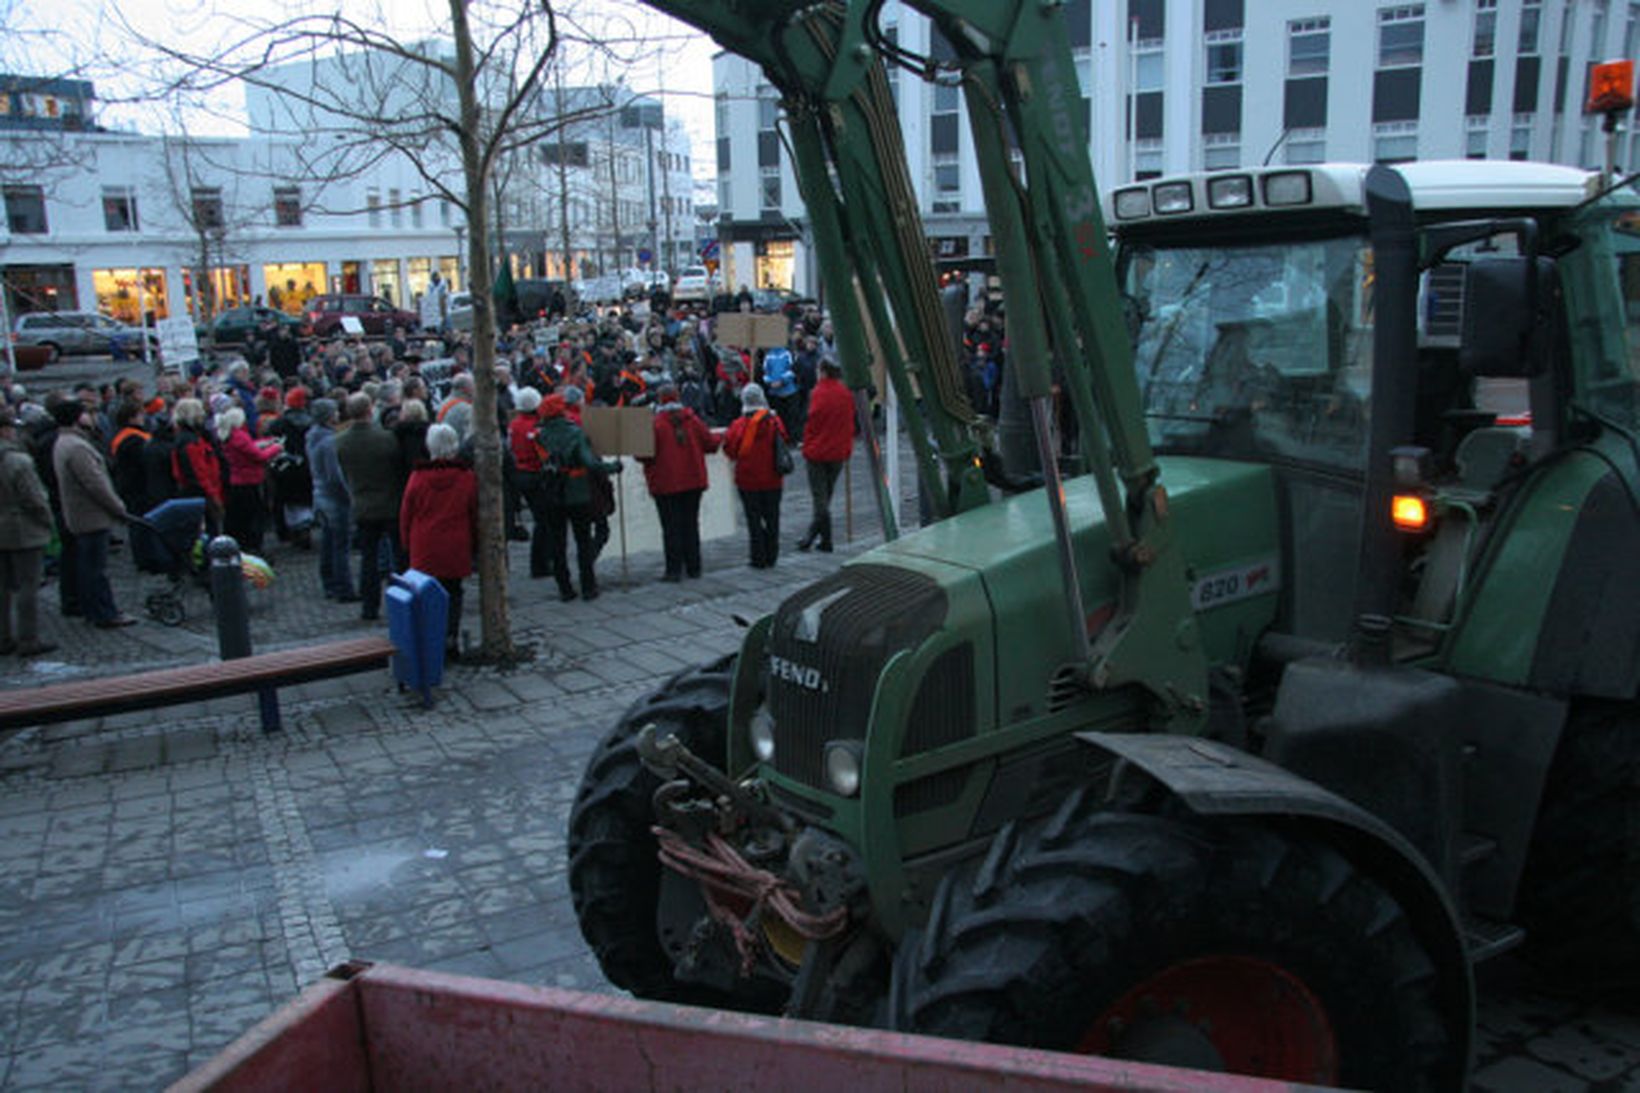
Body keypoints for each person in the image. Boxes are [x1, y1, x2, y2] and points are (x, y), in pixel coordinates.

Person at [51, 398, 134, 628]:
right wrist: (117, 508)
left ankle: (93, 609)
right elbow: (95, 484)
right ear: (77, 418)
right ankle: (104, 612)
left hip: (81, 515)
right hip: (90, 516)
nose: (91, 417)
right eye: (86, 413)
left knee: (88, 566)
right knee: (95, 569)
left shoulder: (65, 442)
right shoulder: (76, 447)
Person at [536, 391, 622, 602]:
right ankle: (588, 587)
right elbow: (590, 462)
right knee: (583, 541)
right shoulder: (575, 433)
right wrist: (612, 467)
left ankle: (565, 588)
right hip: (577, 491)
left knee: (558, 544)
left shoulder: (540, 435)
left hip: (551, 492)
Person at [399, 422, 476, 659]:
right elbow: (473, 513)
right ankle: (450, 638)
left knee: (426, 595)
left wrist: (406, 544)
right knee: (454, 592)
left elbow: (406, 514)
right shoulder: (466, 478)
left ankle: (430, 641)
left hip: (425, 544)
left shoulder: (418, 478)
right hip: (455, 542)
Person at [334, 391, 407, 621]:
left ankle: (369, 606)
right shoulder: (387, 438)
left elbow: (344, 474)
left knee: (369, 559)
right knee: (398, 556)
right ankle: (403, 601)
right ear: (369, 410)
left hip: (363, 504)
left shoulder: (340, 442)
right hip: (390, 503)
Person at [639, 383, 719, 581]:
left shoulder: (656, 424)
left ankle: (674, 570)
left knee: (670, 527)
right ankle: (694, 567)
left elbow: (643, 454)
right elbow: (710, 444)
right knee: (691, 525)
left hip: (666, 484)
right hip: (693, 480)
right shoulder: (692, 420)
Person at [0, 413, 57, 656]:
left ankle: (3, 637)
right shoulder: (17, 461)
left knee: (2, 586)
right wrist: (48, 521)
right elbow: (34, 498)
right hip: (21, 527)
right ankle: (28, 638)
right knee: (28, 584)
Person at [723, 382, 789, 569]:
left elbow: (730, 450)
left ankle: (758, 557)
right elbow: (784, 440)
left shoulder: (738, 425)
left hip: (748, 479)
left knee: (753, 520)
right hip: (773, 478)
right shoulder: (775, 421)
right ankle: (772, 554)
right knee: (772, 517)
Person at [797, 358, 855, 552]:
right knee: (825, 495)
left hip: (818, 451)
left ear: (822, 371)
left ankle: (821, 539)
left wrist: (806, 443)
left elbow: (811, 422)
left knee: (820, 498)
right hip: (838, 451)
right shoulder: (845, 393)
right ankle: (816, 538)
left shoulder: (818, 393)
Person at [306, 398, 357, 602]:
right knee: (340, 546)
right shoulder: (329, 442)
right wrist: (348, 496)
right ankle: (343, 588)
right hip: (334, 499)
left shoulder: (312, 436)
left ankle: (329, 582)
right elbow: (335, 476)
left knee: (328, 542)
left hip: (320, 496)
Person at [220, 407, 281, 556]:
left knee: (241, 517)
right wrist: (276, 448)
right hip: (249, 480)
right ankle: (254, 547)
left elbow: (251, 448)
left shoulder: (229, 436)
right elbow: (258, 456)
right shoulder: (240, 436)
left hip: (238, 480)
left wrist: (265, 443)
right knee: (253, 517)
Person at [507, 387, 553, 579]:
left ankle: (540, 563)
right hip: (534, 474)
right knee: (543, 521)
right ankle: (540, 564)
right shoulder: (536, 427)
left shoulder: (514, 424)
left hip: (519, 473)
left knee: (540, 520)